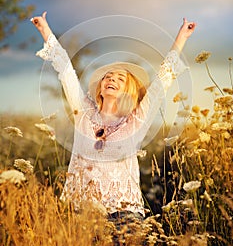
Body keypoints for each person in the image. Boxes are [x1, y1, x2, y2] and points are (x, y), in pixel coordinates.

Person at [31, 12, 196, 220]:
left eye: (120, 78)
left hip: (123, 214)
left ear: (128, 90)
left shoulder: (136, 120)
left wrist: (182, 37)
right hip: (79, 213)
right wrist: (45, 29)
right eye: (107, 77)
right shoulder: (83, 111)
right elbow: (66, 72)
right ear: (99, 88)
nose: (111, 79)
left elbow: (162, 82)